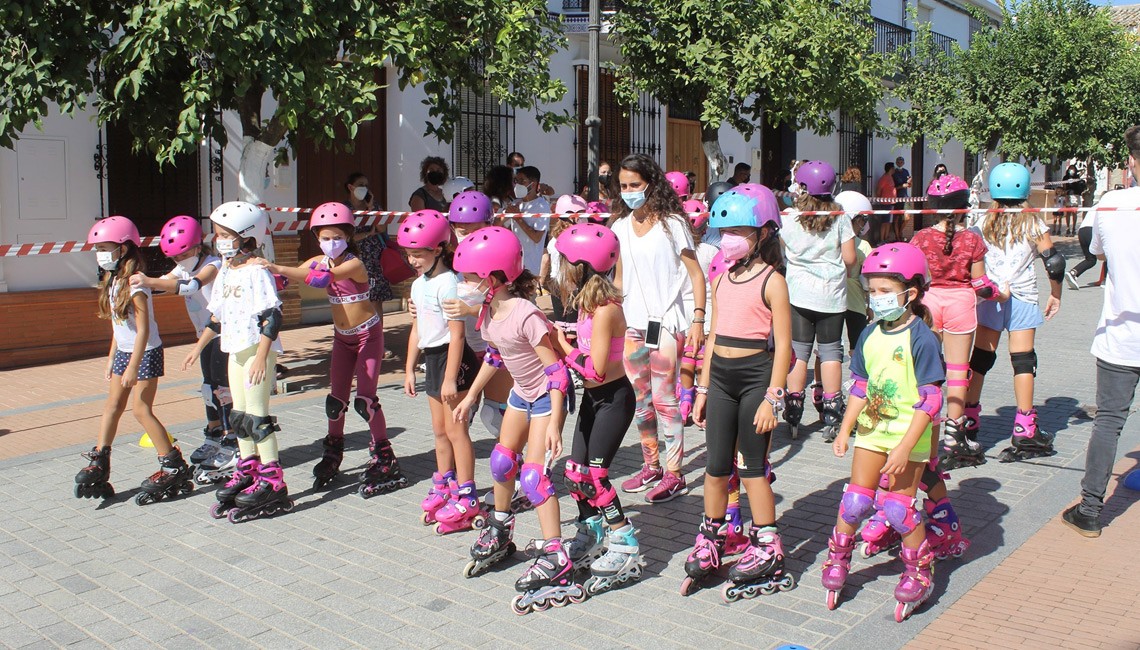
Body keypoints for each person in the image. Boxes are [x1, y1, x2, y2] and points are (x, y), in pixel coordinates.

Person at [451, 227, 580, 612]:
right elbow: (495, 356)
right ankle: (501, 528)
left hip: (545, 397)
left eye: (468, 278)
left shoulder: (526, 314)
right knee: (502, 462)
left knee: (534, 477)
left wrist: (556, 422)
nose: (463, 284)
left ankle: (556, 553)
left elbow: (557, 373)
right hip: (521, 394)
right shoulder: (489, 311)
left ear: (491, 279)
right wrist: (472, 396)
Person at [821, 243, 944, 621]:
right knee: (855, 502)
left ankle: (919, 572)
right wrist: (845, 430)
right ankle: (838, 558)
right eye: (873, 291)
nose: (877, 298)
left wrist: (907, 447)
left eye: (886, 291)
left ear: (912, 292)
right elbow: (859, 387)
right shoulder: (870, 334)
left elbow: (931, 400)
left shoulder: (921, 337)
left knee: (898, 508)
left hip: (909, 434)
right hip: (873, 433)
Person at [684, 188, 796, 602]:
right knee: (715, 468)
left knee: (752, 468)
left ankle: (767, 543)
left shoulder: (774, 281)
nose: (728, 238)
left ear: (764, 232)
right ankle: (712, 535)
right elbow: (712, 337)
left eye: (738, 231)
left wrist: (773, 397)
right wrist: (701, 388)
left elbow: (784, 346)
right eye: (724, 230)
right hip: (721, 382)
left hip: (755, 379)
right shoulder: (721, 278)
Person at [263, 203, 406, 497]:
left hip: (368, 335)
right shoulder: (318, 260)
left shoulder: (354, 263)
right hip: (343, 339)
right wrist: (267, 275)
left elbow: (322, 279)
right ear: (317, 238)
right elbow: (290, 278)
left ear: (348, 236)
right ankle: (333, 451)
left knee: (365, 400)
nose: (331, 243)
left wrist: (278, 266)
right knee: (335, 401)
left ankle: (384, 456)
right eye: (325, 238)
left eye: (337, 237)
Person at [552, 223, 645, 595]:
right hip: (593, 399)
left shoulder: (606, 308)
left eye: (564, 263)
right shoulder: (585, 304)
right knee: (574, 475)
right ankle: (590, 531)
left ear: (582, 266)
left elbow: (597, 368)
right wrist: (568, 333)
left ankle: (625, 542)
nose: (560, 270)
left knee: (597, 478)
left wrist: (563, 346)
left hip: (613, 400)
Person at [611, 153, 707, 503]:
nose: (629, 191)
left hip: (667, 322)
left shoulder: (673, 224)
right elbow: (620, 278)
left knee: (666, 399)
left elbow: (696, 275)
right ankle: (650, 464)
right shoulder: (619, 226)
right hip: (632, 324)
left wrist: (698, 319)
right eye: (623, 185)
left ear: (651, 183)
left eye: (634, 184)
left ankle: (674, 473)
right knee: (641, 401)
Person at [186, 202, 291, 522]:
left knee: (258, 417)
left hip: (255, 351)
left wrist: (262, 356)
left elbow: (272, 316)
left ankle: (273, 481)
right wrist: (197, 347)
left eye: (223, 235)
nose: (218, 240)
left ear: (246, 236)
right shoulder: (227, 269)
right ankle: (248, 470)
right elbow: (217, 317)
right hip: (234, 350)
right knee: (238, 415)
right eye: (217, 235)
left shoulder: (257, 271)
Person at [74, 216, 188, 503]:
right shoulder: (112, 281)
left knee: (140, 409)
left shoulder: (135, 284)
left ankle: (173, 463)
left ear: (123, 249)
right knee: (112, 406)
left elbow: (144, 329)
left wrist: (134, 365)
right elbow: (118, 326)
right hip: (125, 352)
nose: (100, 253)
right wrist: (112, 357)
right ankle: (100, 459)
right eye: (97, 248)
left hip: (146, 352)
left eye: (105, 247)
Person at [1062, 126, 1140, 538]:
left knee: (1109, 421)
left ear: (1130, 161)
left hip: (1122, 335)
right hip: (1121, 335)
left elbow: (1093, 249)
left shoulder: (1112, 204)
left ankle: (1091, 510)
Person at [965, 162, 1063, 462]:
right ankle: (1024, 427)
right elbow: (1053, 261)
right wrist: (1056, 294)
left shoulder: (982, 221)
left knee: (980, 360)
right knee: (1023, 361)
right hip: (1021, 296)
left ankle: (968, 420)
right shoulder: (1032, 220)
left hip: (990, 297)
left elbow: (970, 259)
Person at [399, 210, 482, 532]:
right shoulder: (420, 284)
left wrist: (450, 377)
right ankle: (445, 484)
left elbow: (457, 333)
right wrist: (408, 368)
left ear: (437, 250)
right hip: (432, 359)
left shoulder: (449, 283)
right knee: (438, 431)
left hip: (453, 359)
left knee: (456, 430)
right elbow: (417, 327)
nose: (412, 260)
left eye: (417, 254)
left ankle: (467, 493)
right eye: (408, 254)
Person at [131, 216, 231, 484]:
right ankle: (213, 436)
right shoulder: (181, 267)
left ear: (198, 246)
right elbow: (165, 283)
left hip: (223, 332)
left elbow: (192, 285)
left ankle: (232, 441)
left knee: (223, 388)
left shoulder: (213, 264)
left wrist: (149, 282)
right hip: (204, 334)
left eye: (184, 253)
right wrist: (136, 284)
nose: (180, 260)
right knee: (208, 387)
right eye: (175, 257)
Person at [910, 175, 996, 473]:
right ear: (963, 207)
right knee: (960, 373)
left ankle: (925, 426)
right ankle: (954, 435)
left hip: (930, 302)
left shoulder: (920, 238)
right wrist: (1000, 292)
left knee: (928, 372)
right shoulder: (972, 239)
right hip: (962, 302)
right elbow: (982, 284)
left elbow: (914, 275)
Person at [781, 161, 857, 442]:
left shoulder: (789, 215)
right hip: (831, 294)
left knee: (798, 352)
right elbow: (850, 258)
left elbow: (783, 247)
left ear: (801, 186)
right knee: (830, 352)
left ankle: (793, 406)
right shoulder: (840, 216)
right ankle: (833, 411)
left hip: (798, 293)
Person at [677, 197, 717, 425]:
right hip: (706, 312)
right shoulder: (711, 251)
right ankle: (704, 398)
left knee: (686, 356)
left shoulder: (678, 251)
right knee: (703, 357)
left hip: (683, 312)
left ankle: (685, 398)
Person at [541, 195, 587, 341]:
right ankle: (573, 356)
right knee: (573, 326)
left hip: (556, 283)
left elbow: (546, 259)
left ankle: (563, 356)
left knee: (560, 325)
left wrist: (541, 281)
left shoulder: (554, 238)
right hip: (573, 284)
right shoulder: (580, 237)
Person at [504, 165, 551, 277]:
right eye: (516, 180)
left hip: (529, 268)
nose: (518, 184)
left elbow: (537, 237)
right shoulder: (516, 203)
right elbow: (500, 226)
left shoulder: (541, 206)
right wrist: (505, 215)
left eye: (522, 181)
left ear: (533, 184)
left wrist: (518, 218)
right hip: (513, 264)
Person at [1054, 164, 1086, 237]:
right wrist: (1065, 195)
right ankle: (1068, 228)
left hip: (1076, 195)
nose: (1071, 170)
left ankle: (1074, 228)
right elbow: (1064, 187)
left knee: (1074, 212)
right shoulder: (1066, 177)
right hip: (1068, 195)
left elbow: (1083, 172)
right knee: (1068, 213)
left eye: (1073, 169)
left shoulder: (1077, 177)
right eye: (1070, 169)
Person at [876, 162, 898, 244]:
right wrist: (880, 199)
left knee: (889, 222)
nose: (894, 169)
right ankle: (882, 239)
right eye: (893, 168)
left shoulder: (890, 177)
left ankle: (886, 238)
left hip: (891, 203)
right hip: (886, 203)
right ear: (891, 169)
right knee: (884, 222)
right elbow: (878, 189)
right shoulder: (884, 178)